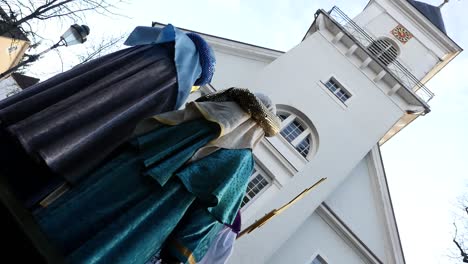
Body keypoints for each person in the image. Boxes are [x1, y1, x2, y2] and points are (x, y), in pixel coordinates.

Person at [34, 88, 280, 264]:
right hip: (145, 222)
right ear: (259, 128)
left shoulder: (189, 117)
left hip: (105, 188)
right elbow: (208, 216)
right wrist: (180, 256)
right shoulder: (240, 159)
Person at [0, 24, 216, 208]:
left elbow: (79, 82)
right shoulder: (169, 91)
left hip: (28, 127)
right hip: (58, 158)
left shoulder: (146, 53)